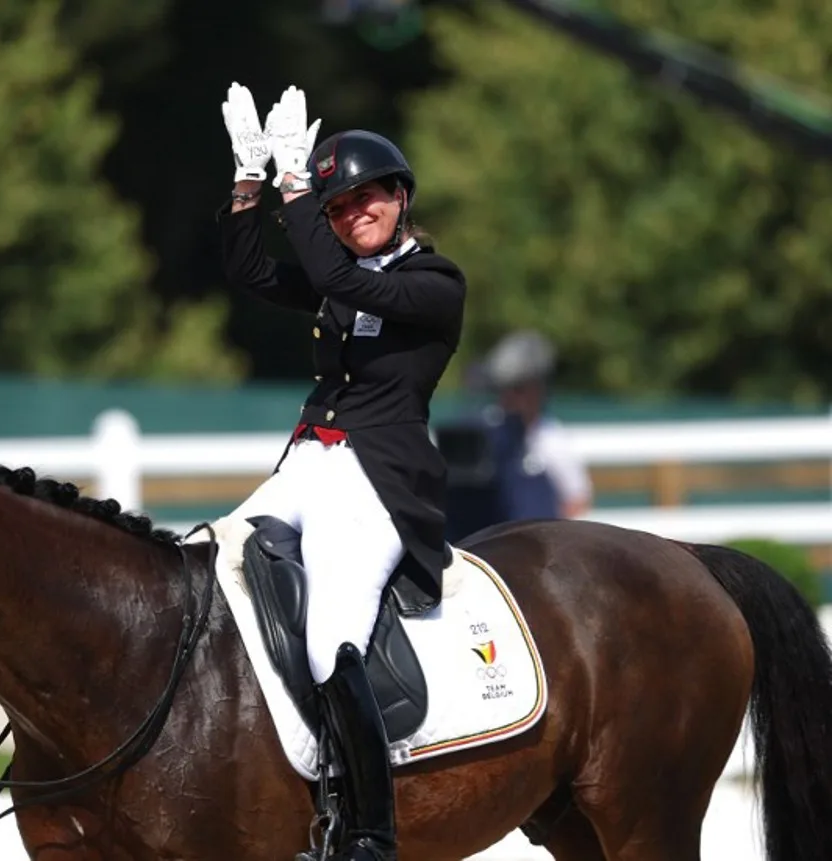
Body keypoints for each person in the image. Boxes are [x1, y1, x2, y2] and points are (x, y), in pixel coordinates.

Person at [216, 81, 467, 861]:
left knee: (332, 639)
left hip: (380, 482)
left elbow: (344, 283)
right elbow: (253, 273)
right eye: (338, 207)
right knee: (214, 563)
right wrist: (251, 181)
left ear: (399, 197)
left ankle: (368, 830)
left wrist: (302, 186)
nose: (355, 211)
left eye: (367, 198)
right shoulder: (342, 273)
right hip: (309, 462)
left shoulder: (434, 282)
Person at [481, 330, 592, 520]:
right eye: (506, 388)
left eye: (520, 389)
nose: (511, 397)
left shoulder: (551, 438)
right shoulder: (486, 429)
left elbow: (577, 497)